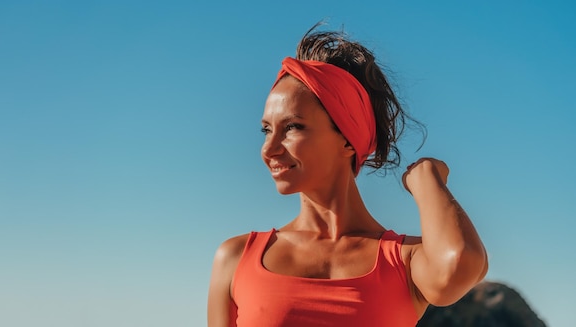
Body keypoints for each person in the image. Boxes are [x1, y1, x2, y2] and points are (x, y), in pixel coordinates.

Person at [207, 26, 488, 327]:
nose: (269, 149)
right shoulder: (236, 259)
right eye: (267, 130)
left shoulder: (402, 262)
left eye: (292, 127)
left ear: (346, 140)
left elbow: (460, 260)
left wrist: (425, 178)